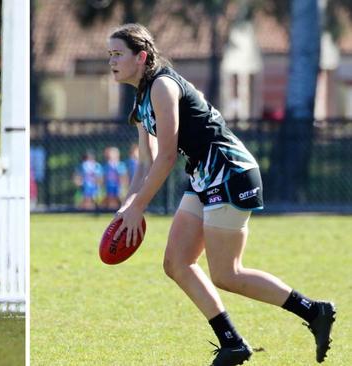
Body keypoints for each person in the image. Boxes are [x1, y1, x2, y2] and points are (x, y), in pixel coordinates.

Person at [107, 24, 335, 365]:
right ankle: (232, 343)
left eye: (117, 54)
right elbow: (147, 161)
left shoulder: (163, 86)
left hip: (230, 172)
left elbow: (168, 156)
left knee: (227, 274)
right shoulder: (140, 100)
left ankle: (313, 310)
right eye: (109, 54)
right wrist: (128, 205)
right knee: (176, 263)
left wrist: (139, 207)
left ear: (140, 57)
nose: (110, 60)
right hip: (204, 176)